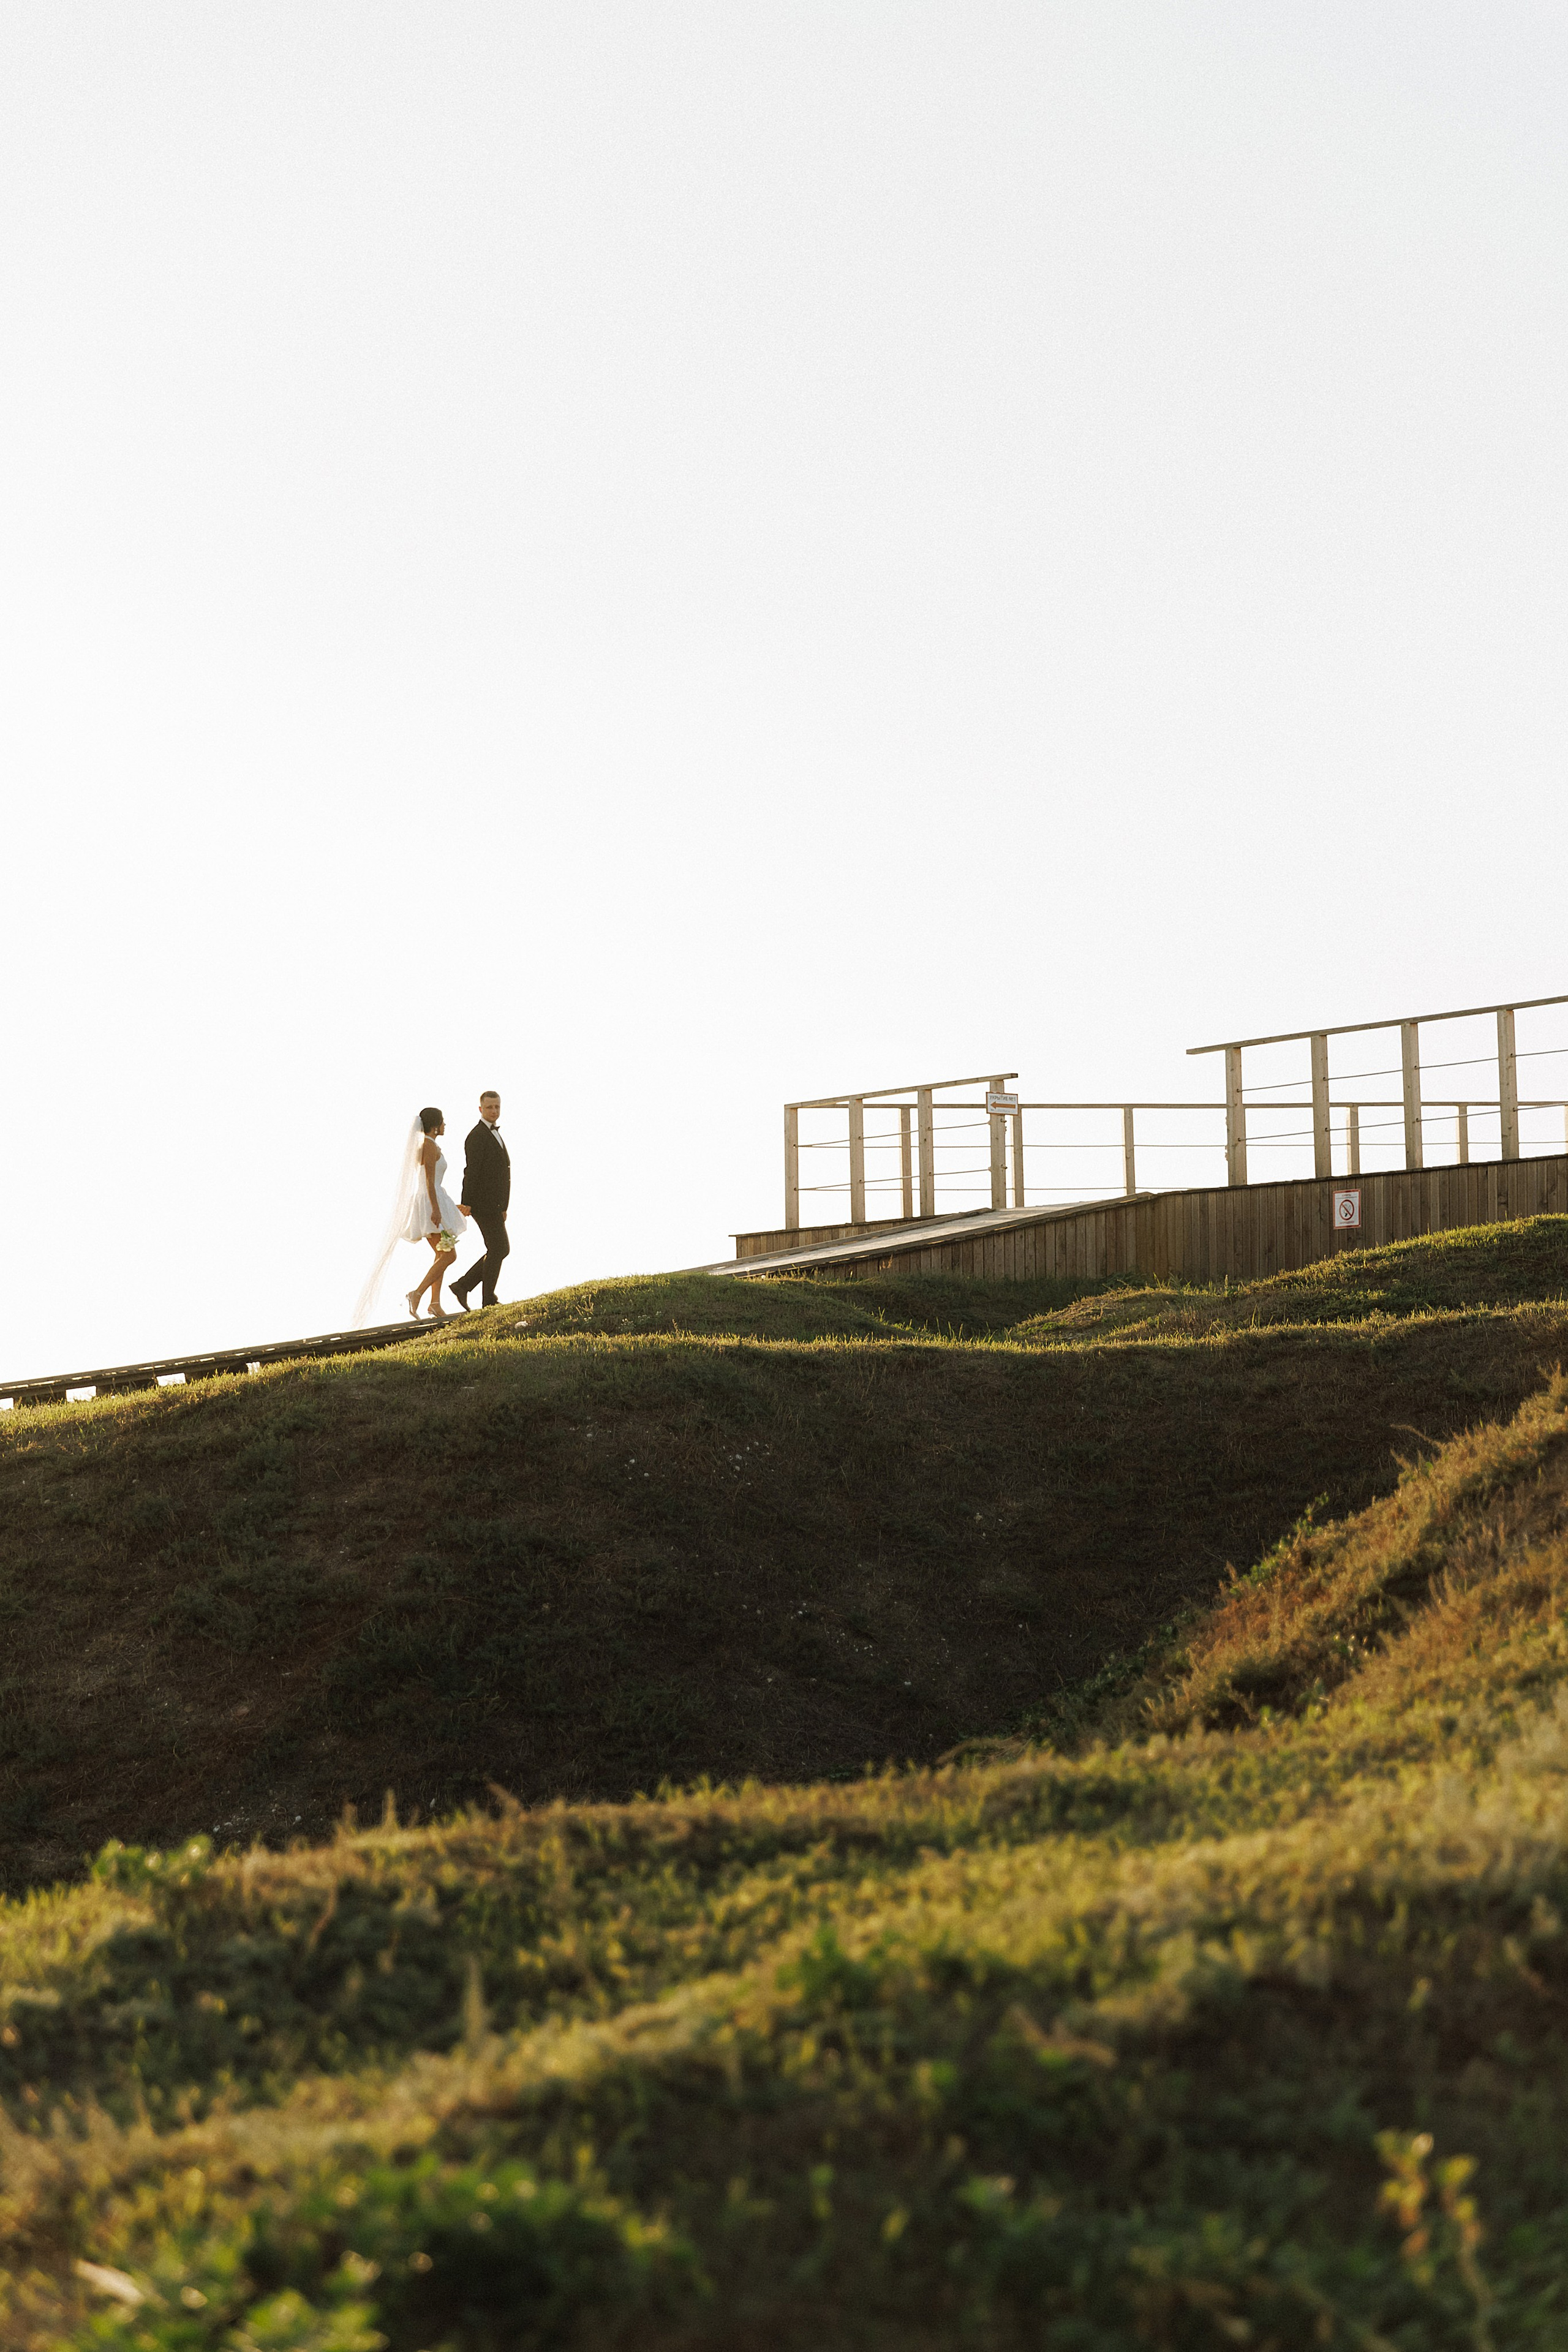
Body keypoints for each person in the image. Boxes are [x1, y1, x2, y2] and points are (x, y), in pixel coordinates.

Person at [403, 1107, 470, 1320]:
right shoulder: (429, 1146)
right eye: (443, 1122)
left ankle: (435, 1304)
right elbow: (430, 1181)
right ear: (435, 1126)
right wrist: (436, 1210)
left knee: (442, 1255)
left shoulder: (430, 1145)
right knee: (449, 1255)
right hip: (431, 1202)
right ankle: (418, 1293)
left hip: (433, 1200)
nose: (445, 1125)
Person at [451, 1090, 510, 1310]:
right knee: (500, 1248)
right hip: (482, 1203)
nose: (494, 1111)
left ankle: (464, 1286)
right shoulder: (477, 1135)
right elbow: (472, 1171)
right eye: (489, 1107)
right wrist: (466, 1202)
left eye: (497, 1107)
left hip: (495, 1204)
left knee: (499, 1248)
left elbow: (502, 1172)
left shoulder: (494, 1133)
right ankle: (487, 1299)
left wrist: (504, 1206)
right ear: (480, 1109)